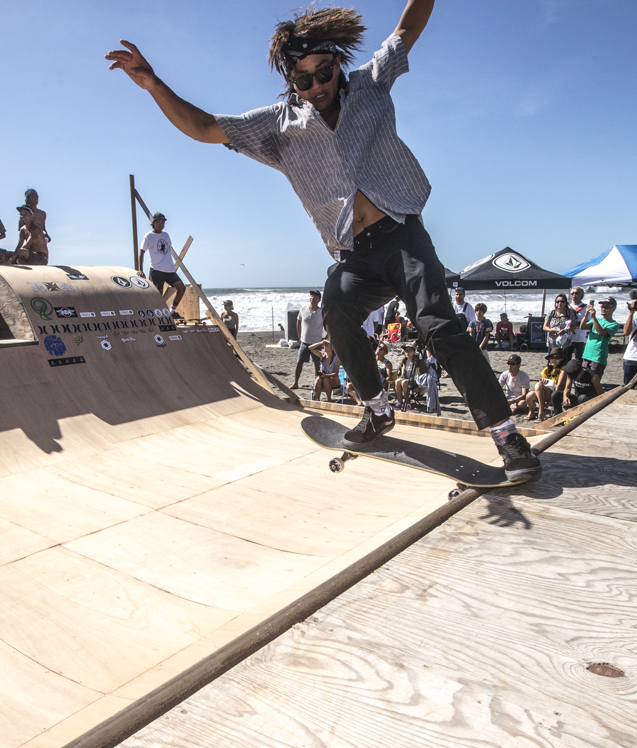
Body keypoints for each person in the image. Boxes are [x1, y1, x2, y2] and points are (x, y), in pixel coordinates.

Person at [106, 0, 540, 481]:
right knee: (336, 306)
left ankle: (508, 437)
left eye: (324, 73)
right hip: (354, 254)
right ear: (291, 82)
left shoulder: (370, 84)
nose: (317, 86)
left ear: (338, 63)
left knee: (438, 325)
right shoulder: (278, 126)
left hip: (404, 237)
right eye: (304, 80)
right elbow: (205, 126)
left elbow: (407, 29)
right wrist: (153, 83)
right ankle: (377, 410)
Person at [140, 212, 186, 310]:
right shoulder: (148, 236)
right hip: (157, 269)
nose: (161, 224)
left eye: (162, 222)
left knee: (181, 288)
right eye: (158, 222)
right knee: (158, 293)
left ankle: (172, 311)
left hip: (169, 270)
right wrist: (140, 269)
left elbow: (166, 251)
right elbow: (141, 252)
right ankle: (154, 312)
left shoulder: (166, 235)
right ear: (154, 223)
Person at [580, 297, 620, 396]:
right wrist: (586, 314)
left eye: (607, 307)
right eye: (602, 306)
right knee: (583, 381)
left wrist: (593, 318)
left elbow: (601, 332)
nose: (603, 309)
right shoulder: (597, 320)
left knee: (594, 382)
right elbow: (582, 326)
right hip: (587, 354)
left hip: (598, 356)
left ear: (613, 309)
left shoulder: (614, 324)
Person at [292, 290, 324, 389]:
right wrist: (299, 336)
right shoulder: (304, 309)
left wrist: (326, 337)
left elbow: (328, 324)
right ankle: (295, 383)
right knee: (299, 362)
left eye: (315, 297)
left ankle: (316, 384)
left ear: (319, 300)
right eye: (311, 296)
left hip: (317, 342)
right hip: (305, 342)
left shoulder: (321, 312)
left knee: (317, 364)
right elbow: (298, 321)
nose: (312, 298)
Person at [543, 293, 576, 358]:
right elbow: (544, 327)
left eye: (562, 301)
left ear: (565, 303)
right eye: (557, 301)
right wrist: (551, 330)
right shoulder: (552, 313)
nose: (559, 303)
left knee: (564, 361)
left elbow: (574, 326)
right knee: (552, 361)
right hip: (552, 343)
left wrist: (565, 330)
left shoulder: (569, 313)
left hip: (565, 343)